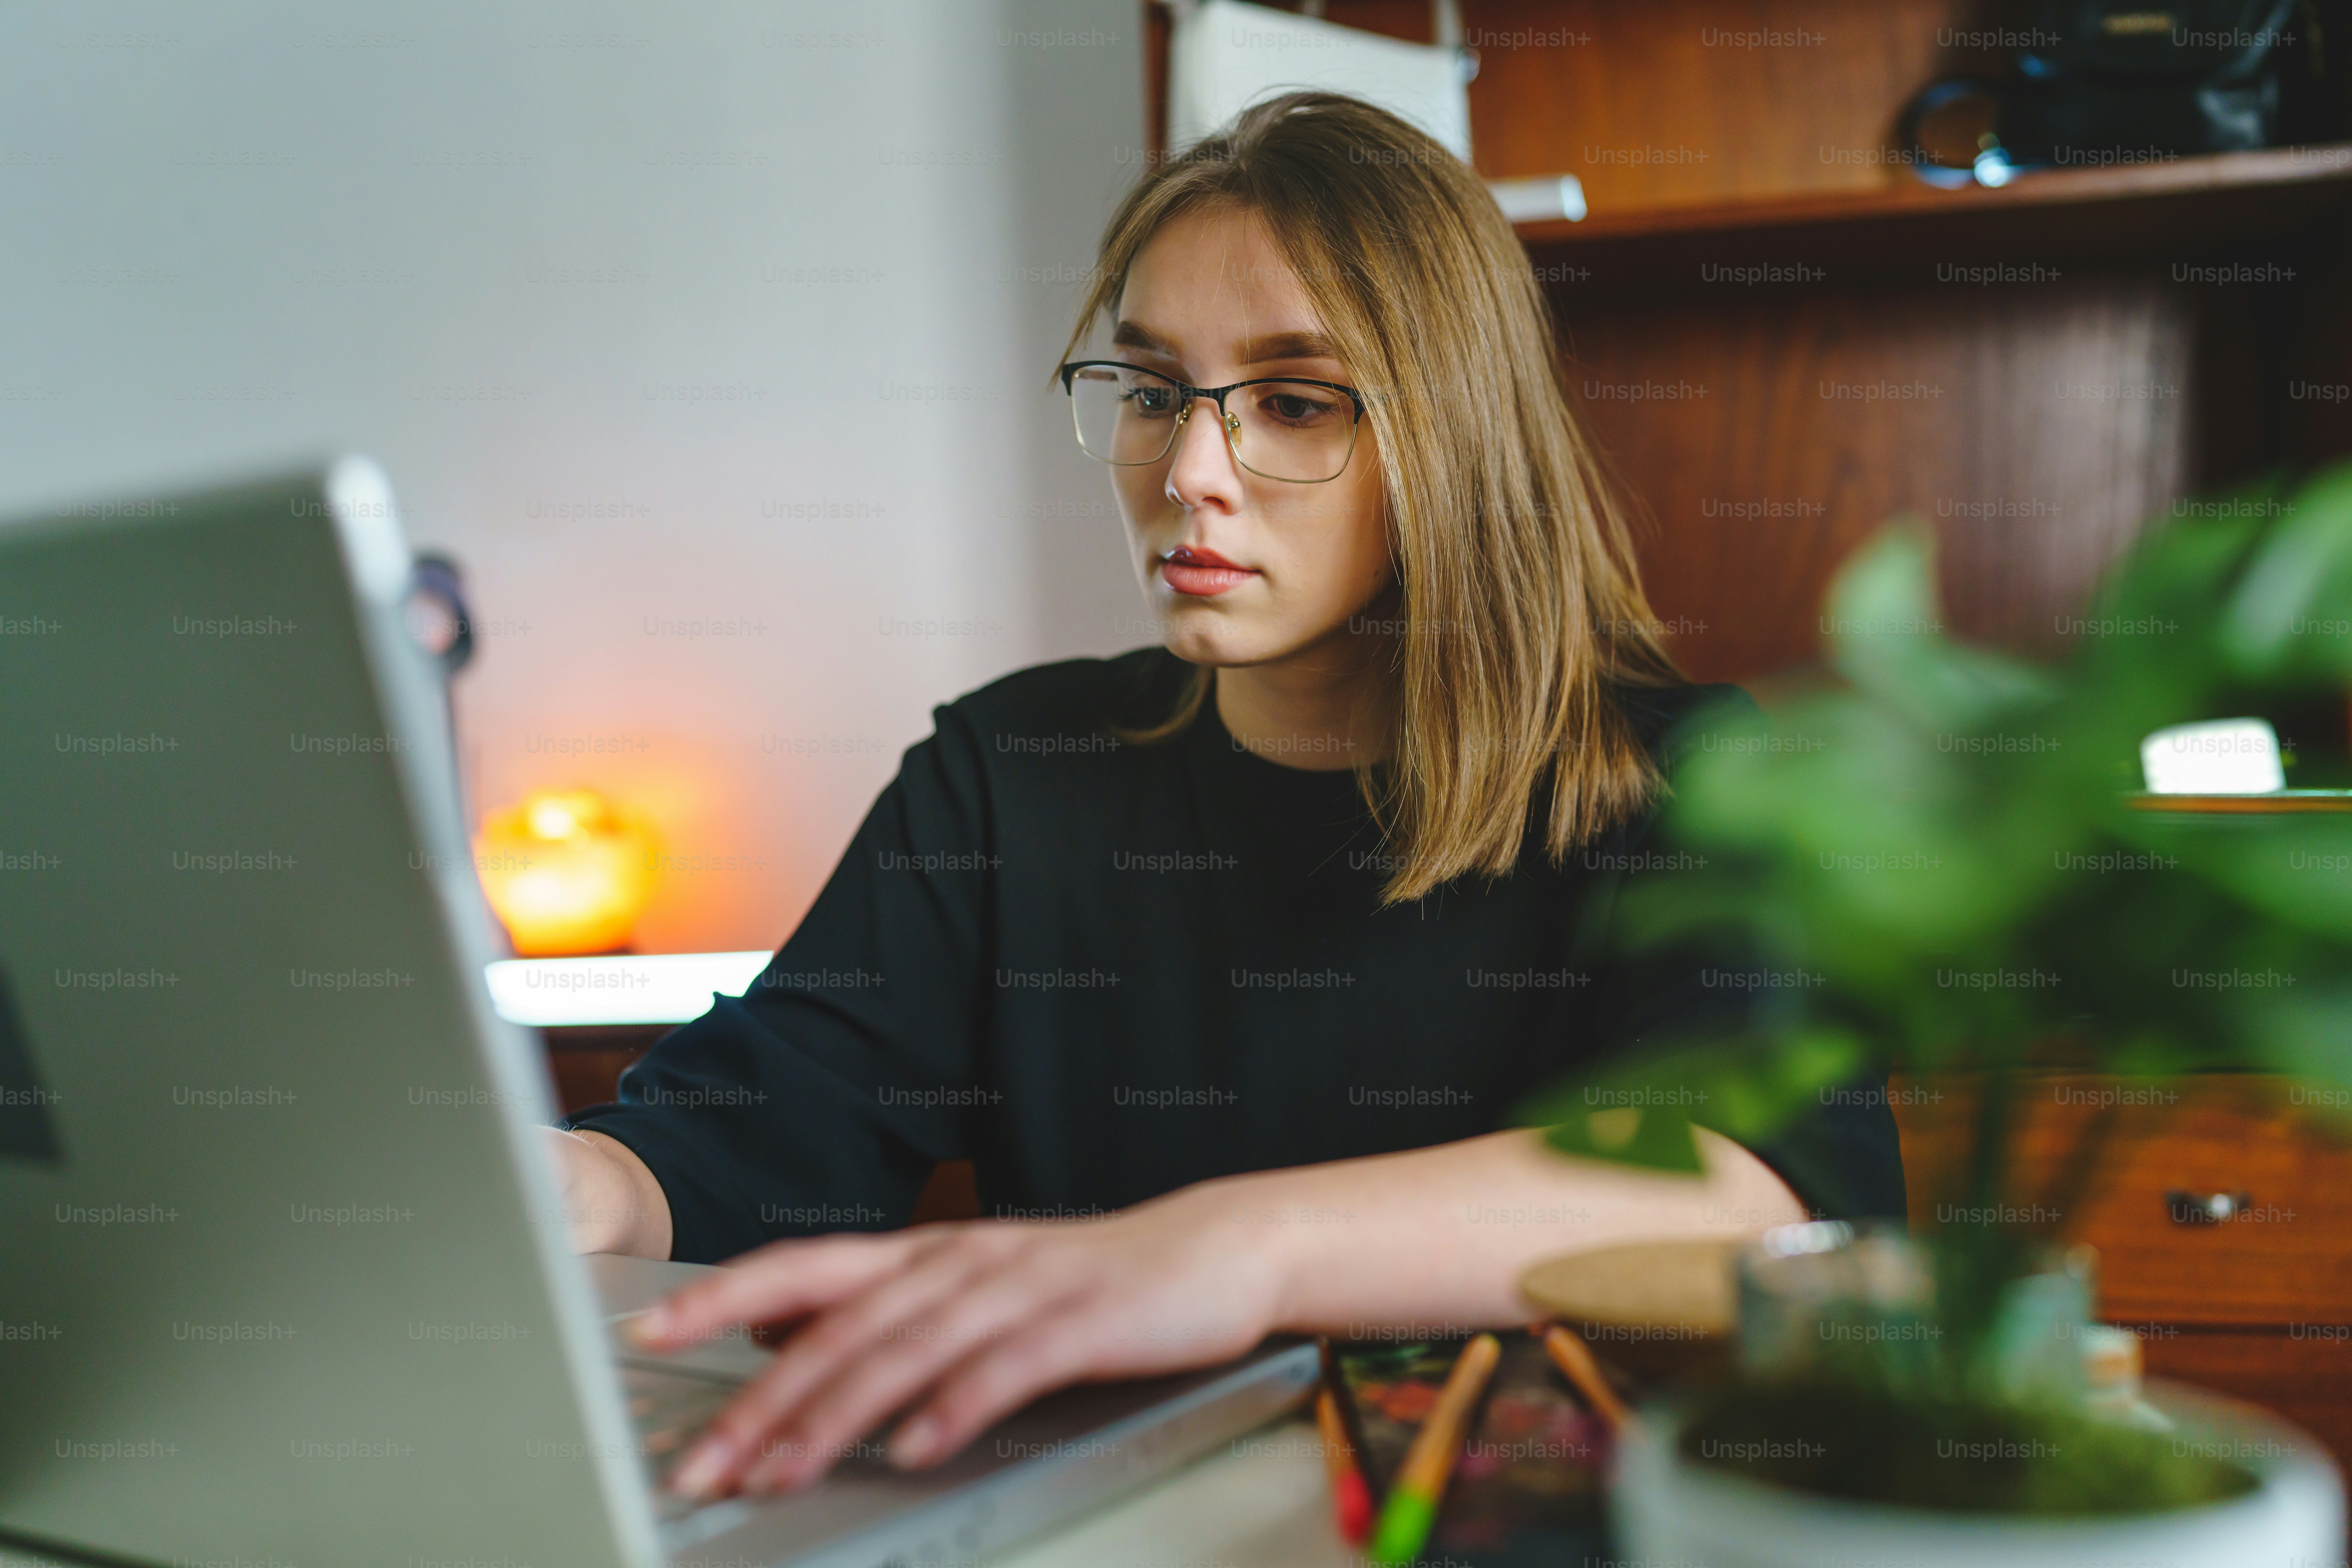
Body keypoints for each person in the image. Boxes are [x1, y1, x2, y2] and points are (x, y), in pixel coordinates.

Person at [543, 91, 1903, 1502]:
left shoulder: (1688, 780)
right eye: (1148, 392)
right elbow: (743, 1132)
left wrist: (1223, 1250)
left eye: (1294, 402)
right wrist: (559, 1182)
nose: (1189, 472)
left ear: (1454, 434)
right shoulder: (1014, 771)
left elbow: (1753, 1185)